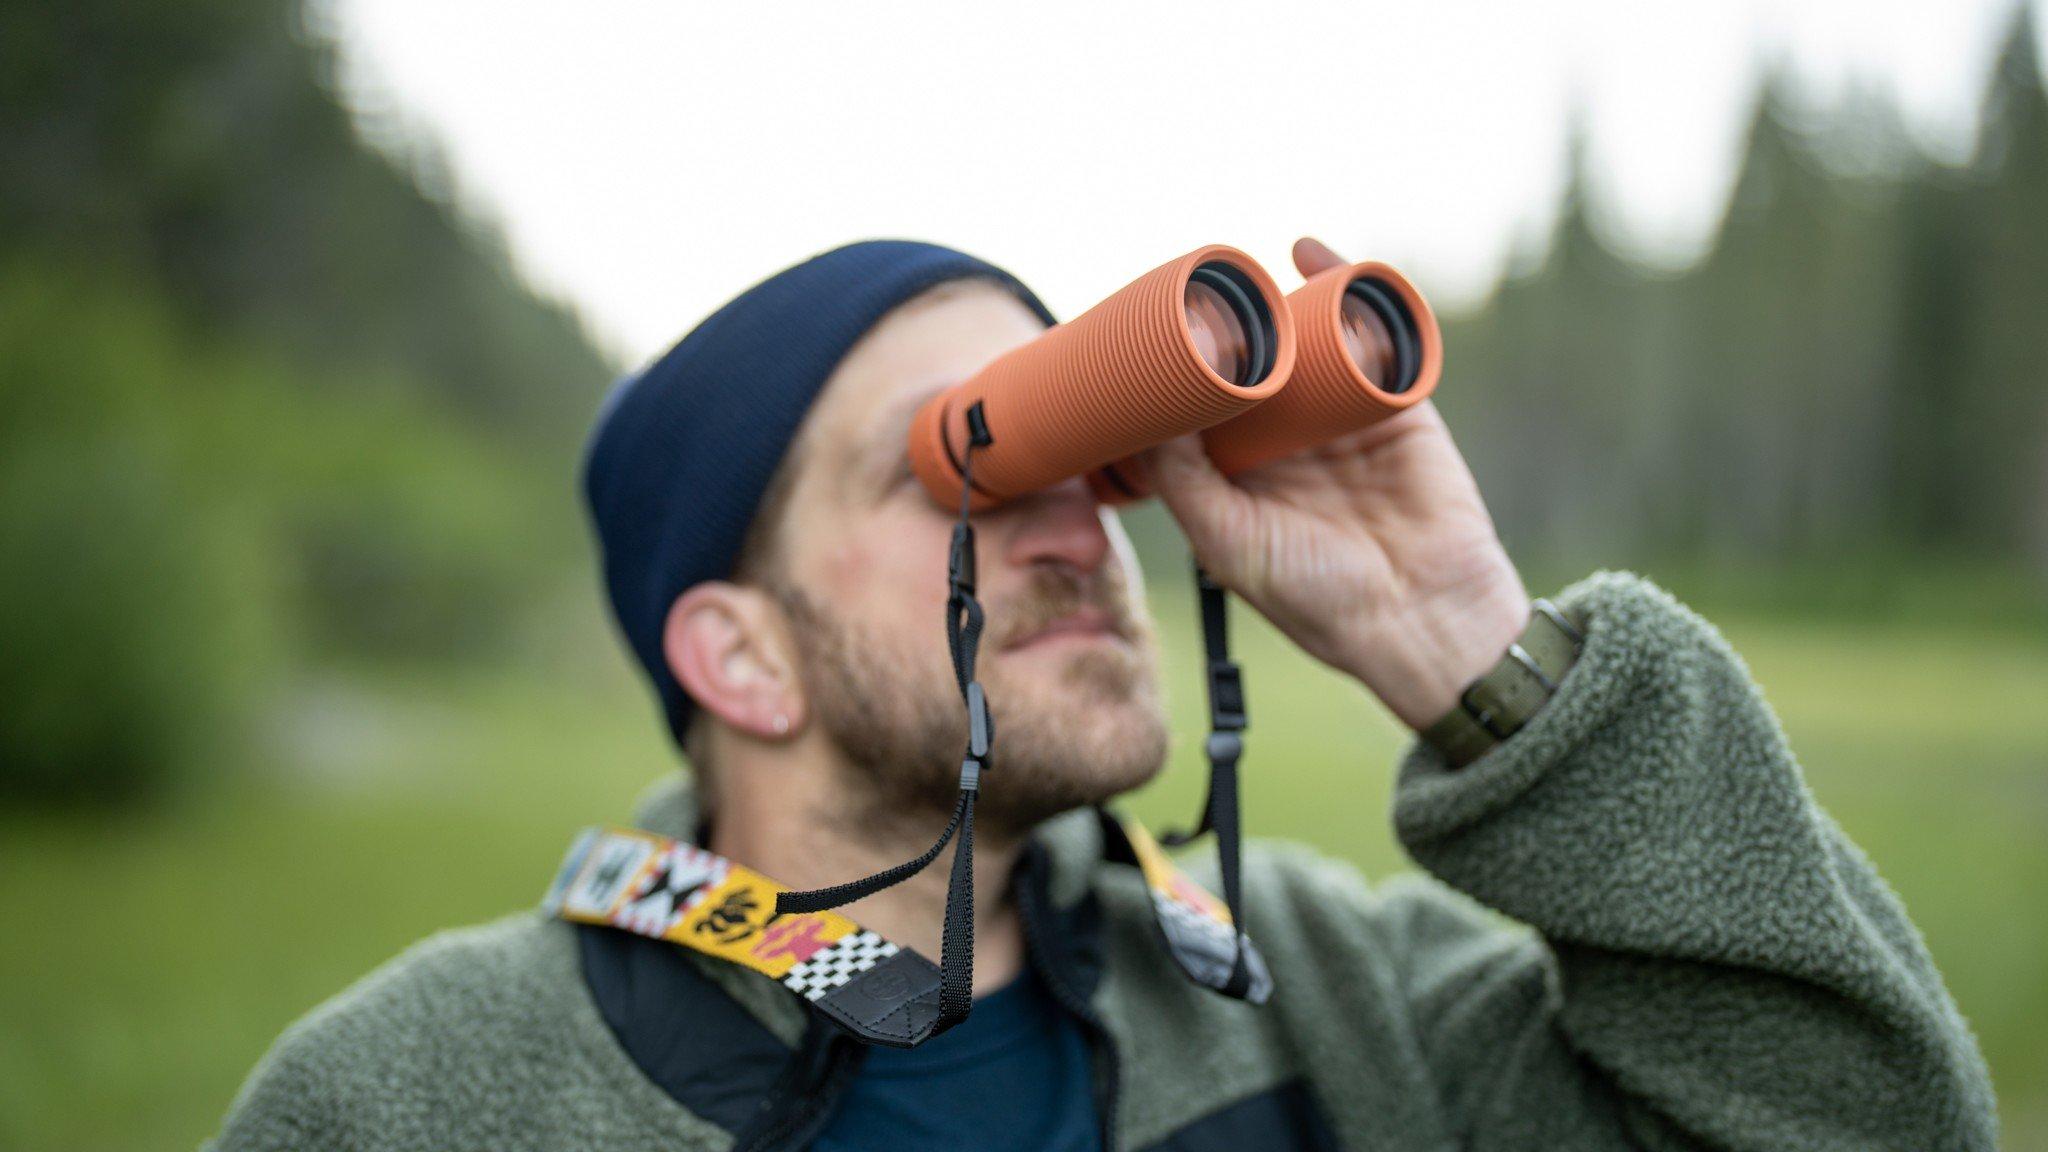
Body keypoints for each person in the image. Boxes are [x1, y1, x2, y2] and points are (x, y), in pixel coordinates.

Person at [210, 238, 1998, 1151]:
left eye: (1082, 448)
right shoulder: (418, 1097)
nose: (1073, 523)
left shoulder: (1319, 993)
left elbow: (1871, 1122)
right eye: (960, 469)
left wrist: (1468, 643)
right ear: (734, 654)